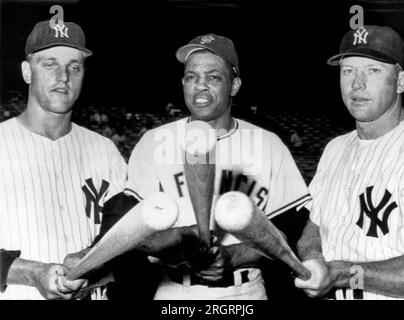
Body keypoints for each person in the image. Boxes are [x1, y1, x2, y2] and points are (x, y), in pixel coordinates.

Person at [122, 33, 311, 299]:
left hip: (245, 292)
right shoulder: (153, 142)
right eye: (191, 77)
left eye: (213, 77)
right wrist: (180, 242)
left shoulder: (268, 145)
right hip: (174, 291)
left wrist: (233, 255)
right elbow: (131, 235)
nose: (200, 86)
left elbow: (286, 234)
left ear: (235, 85)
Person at [0, 20, 127, 299]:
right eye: (49, 64)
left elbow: (127, 244)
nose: (63, 76)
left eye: (74, 66)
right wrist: (32, 272)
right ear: (26, 71)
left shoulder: (105, 150)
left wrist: (93, 271)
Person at [294, 25, 404, 300]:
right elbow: (314, 227)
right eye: (348, 71)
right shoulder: (335, 149)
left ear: (401, 81)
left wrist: (344, 274)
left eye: (373, 70)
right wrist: (313, 258)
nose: (357, 84)